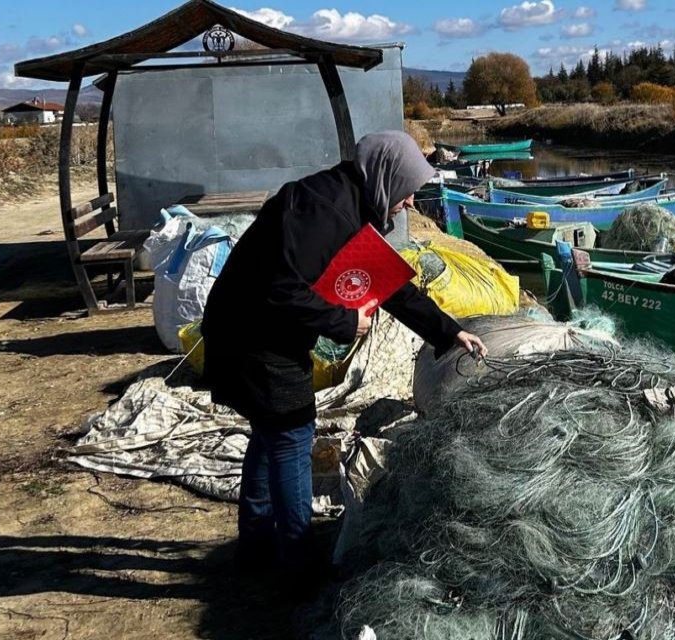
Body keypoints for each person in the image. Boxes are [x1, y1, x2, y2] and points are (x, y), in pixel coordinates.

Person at [200, 130, 487, 572]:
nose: (411, 202)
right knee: (292, 434)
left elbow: (388, 284)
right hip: (251, 340)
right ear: (387, 177)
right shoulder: (326, 211)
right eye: (408, 191)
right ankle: (296, 564)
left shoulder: (350, 201)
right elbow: (280, 287)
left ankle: (256, 546)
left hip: (257, 332)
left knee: (270, 433)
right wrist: (344, 322)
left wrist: (450, 334)